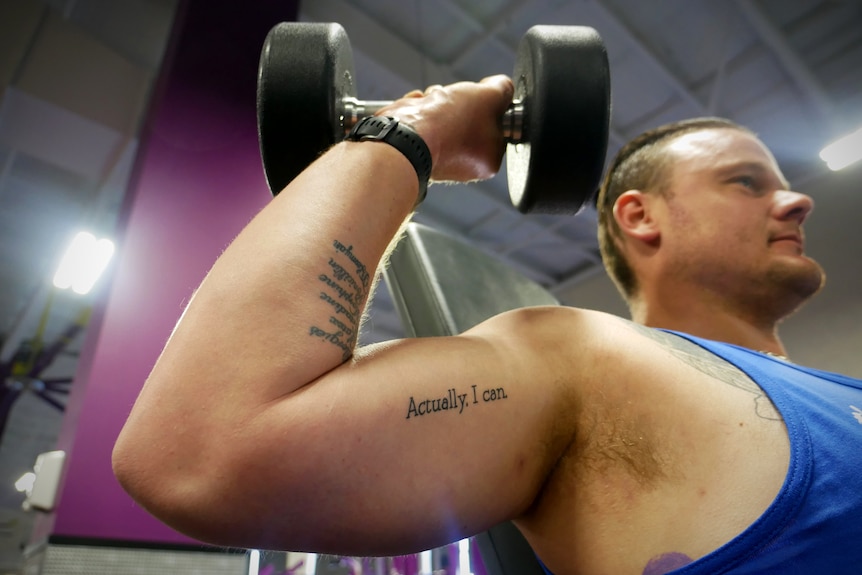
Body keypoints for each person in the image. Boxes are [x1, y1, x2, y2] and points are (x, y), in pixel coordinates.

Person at [112, 75, 862, 575]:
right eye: (746, 182)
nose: (796, 203)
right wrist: (416, 128)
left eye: (787, 186)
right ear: (640, 217)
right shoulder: (585, 359)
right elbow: (203, 452)